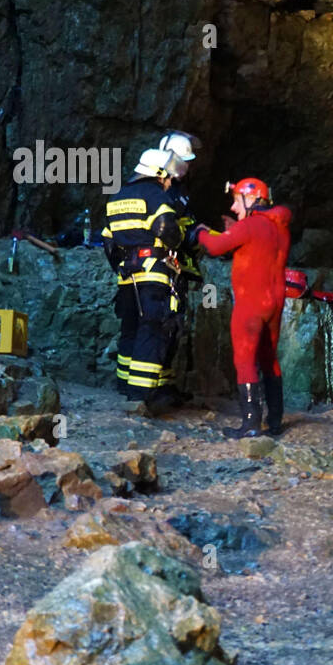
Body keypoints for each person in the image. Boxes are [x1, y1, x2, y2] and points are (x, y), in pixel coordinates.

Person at [188, 178, 292, 437]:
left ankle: (250, 425)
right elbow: (256, 246)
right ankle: (275, 422)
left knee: (244, 360)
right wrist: (235, 229)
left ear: (251, 199)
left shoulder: (251, 225)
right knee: (269, 359)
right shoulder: (279, 226)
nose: (234, 207)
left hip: (251, 303)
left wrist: (199, 231)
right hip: (275, 302)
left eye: (236, 200)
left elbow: (214, 246)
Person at [101, 146, 189, 414]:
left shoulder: (117, 196)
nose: (169, 182)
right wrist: (182, 239)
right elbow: (165, 228)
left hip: (128, 276)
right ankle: (141, 396)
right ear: (159, 173)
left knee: (130, 328)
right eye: (168, 177)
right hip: (153, 273)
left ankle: (125, 387)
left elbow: (107, 240)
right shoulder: (154, 194)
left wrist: (121, 266)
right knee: (153, 329)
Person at [155, 131, 204, 404]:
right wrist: (193, 236)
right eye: (183, 160)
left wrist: (197, 234)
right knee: (163, 326)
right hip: (162, 268)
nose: (186, 166)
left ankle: (165, 386)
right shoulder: (159, 188)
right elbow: (168, 229)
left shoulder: (178, 190)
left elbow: (183, 224)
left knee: (173, 328)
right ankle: (153, 390)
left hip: (176, 269)